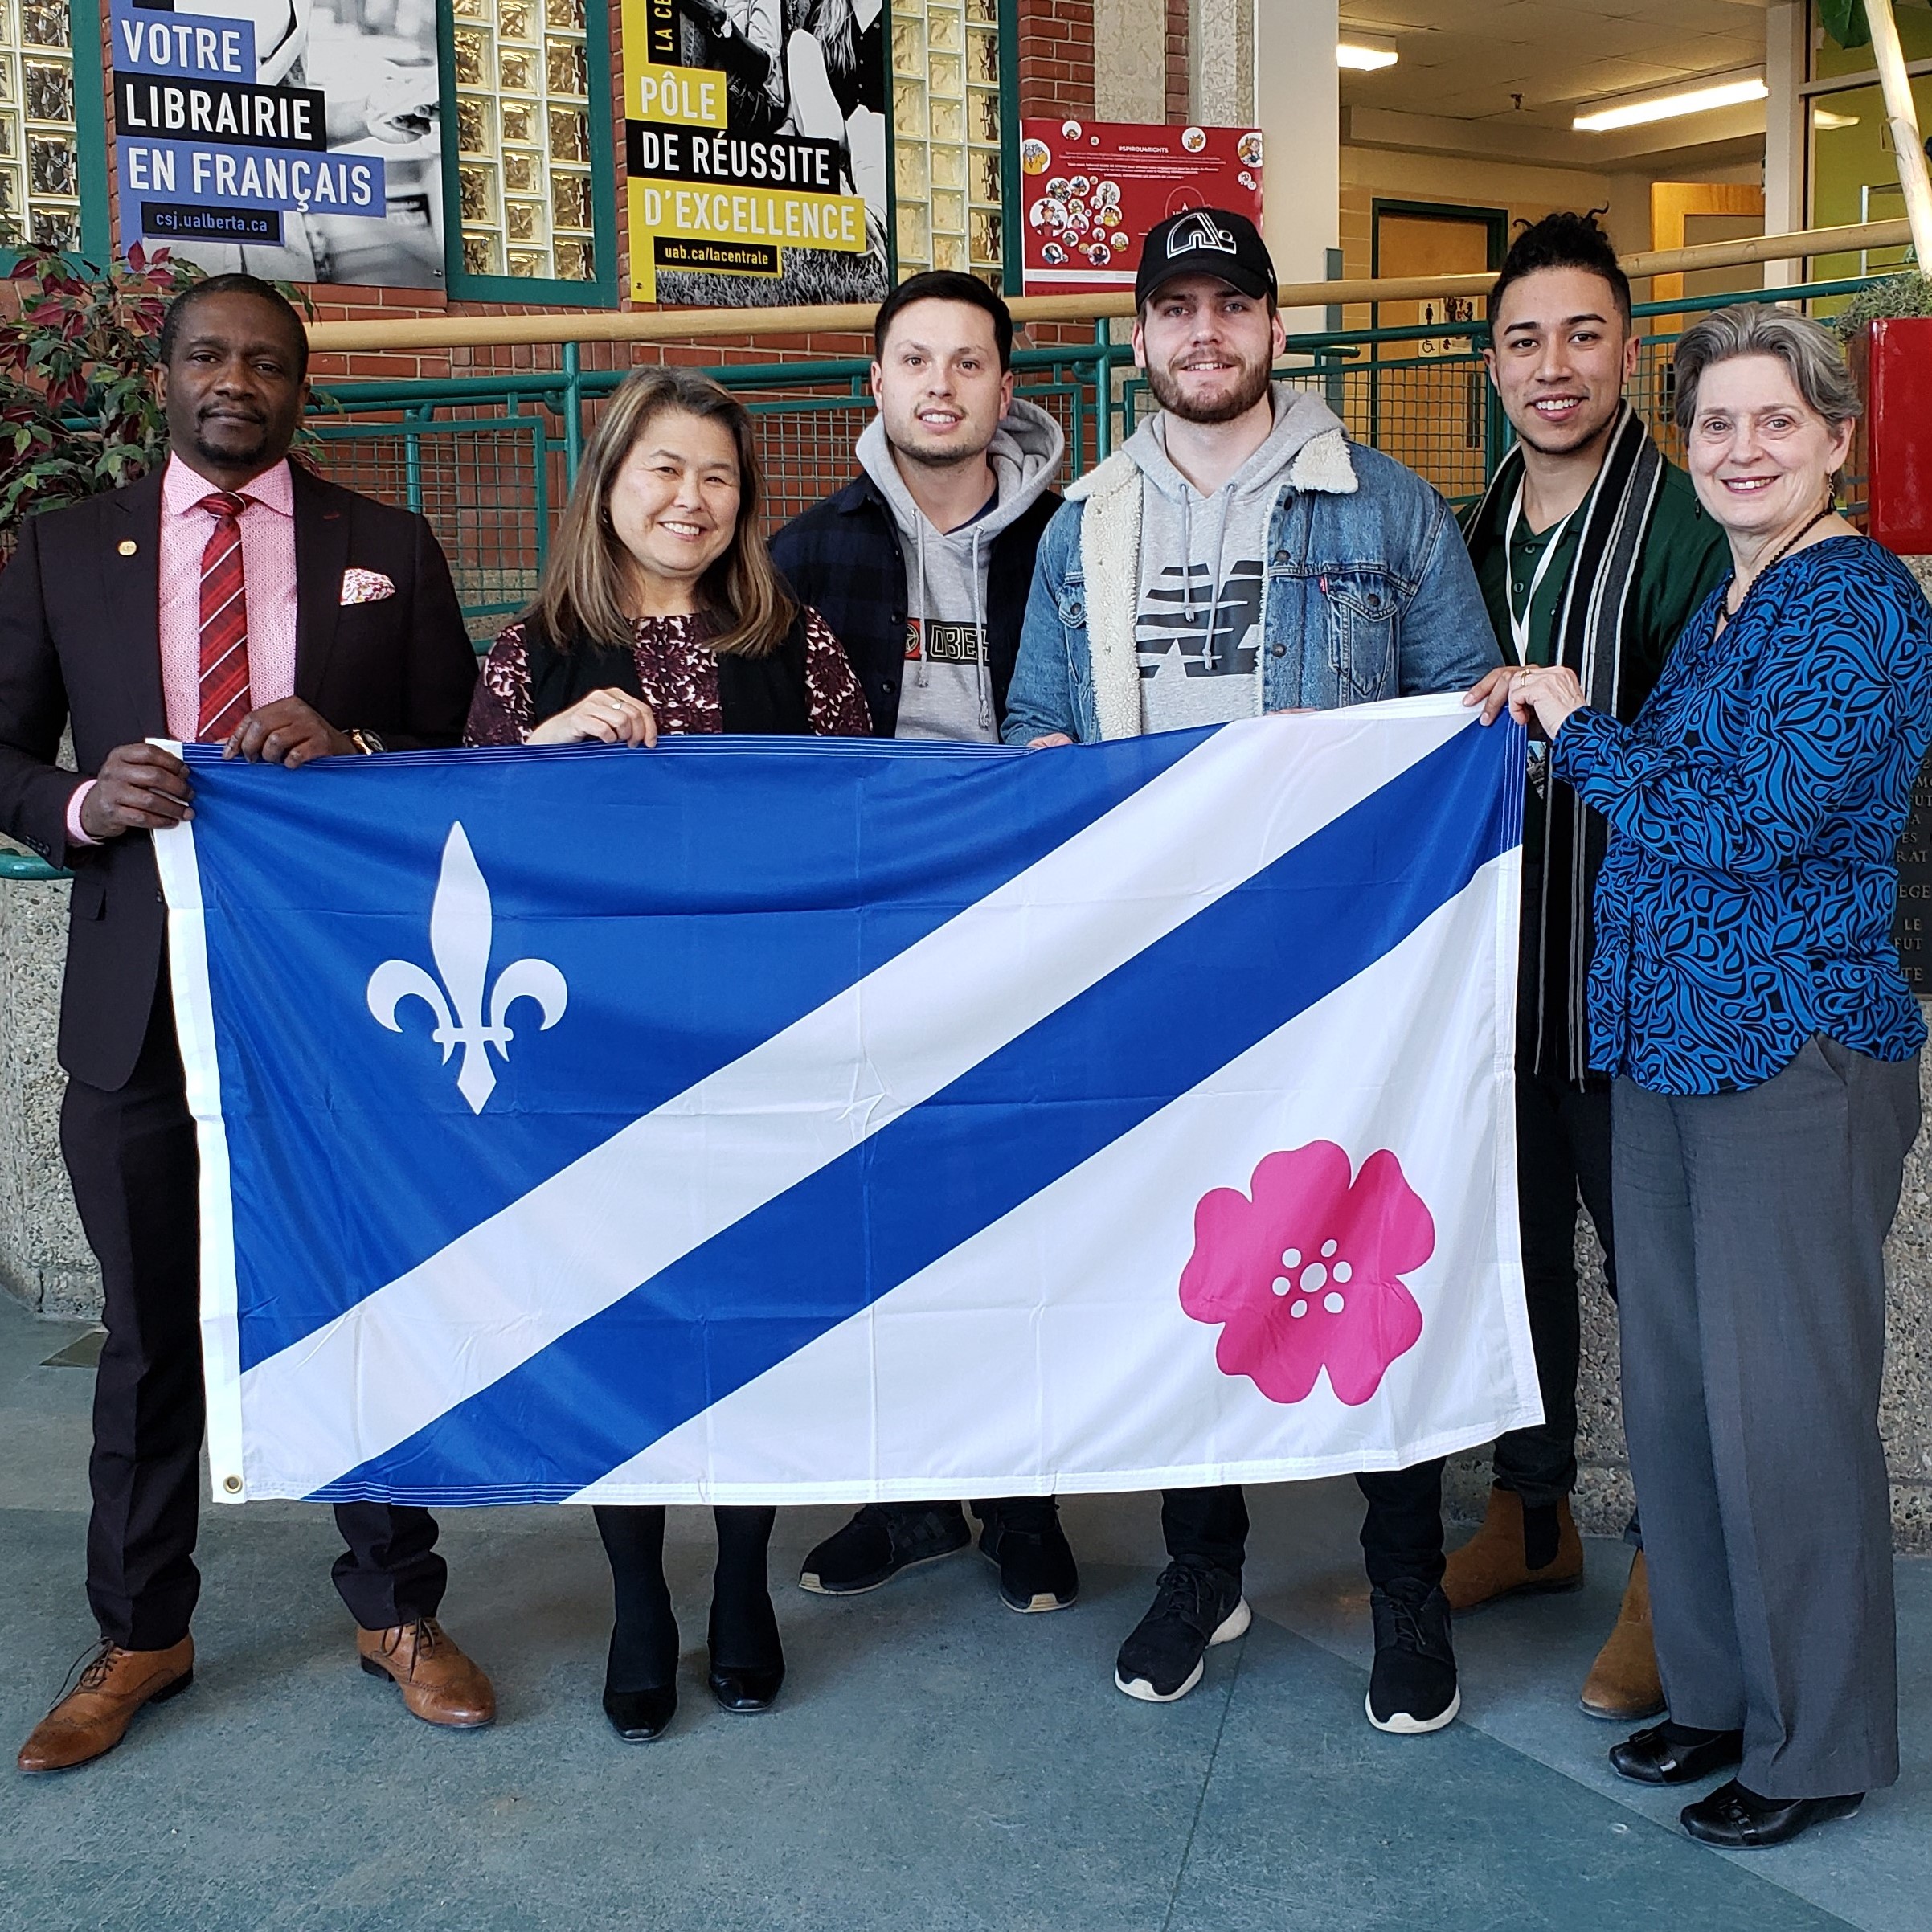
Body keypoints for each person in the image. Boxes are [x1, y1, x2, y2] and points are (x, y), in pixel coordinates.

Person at [1004, 208, 1502, 1734]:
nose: (1204, 335)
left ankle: (1405, 1580)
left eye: (1234, 307)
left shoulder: (1391, 511)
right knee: (1187, 1260)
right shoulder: (1080, 523)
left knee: (1373, 1260)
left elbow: (1464, 732)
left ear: (1277, 330)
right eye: (1176, 310)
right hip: (1163, 966)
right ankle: (1198, 1565)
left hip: (1356, 972)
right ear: (1140, 338)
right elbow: (1037, 733)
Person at [0, 275, 489, 1774]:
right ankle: (145, 1628)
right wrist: (82, 804)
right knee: (149, 1332)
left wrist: (355, 749)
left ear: (302, 383)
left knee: (360, 1300)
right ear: (166, 374)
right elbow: (2, 751)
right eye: (209, 355)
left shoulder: (386, 546)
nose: (238, 382)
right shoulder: (65, 546)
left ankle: (394, 1606)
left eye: (267, 363)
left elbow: (462, 755)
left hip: (337, 1006)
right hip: (135, 1000)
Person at [1490, 305, 1932, 1848]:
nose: (1743, 451)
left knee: (1788, 1416)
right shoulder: (1733, 605)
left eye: (1776, 424)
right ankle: (1717, 1692)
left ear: (1833, 441)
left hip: (1793, 1054)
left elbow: (1749, 821)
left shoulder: (1856, 603)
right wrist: (1547, 717)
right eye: (1719, 426)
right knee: (1679, 1405)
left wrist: (1581, 729)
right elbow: (1672, 791)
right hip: (1668, 1053)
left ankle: (1814, 1747)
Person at [466, 366, 870, 1742]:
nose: (690, 499)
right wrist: (540, 750)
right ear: (609, 486)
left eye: (716, 476)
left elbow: (857, 829)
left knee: (745, 1312)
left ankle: (744, 1581)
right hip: (596, 1050)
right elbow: (469, 839)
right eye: (662, 470)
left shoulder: (793, 640)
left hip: (759, 1041)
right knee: (624, 1318)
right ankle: (639, 1595)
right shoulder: (535, 650)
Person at [768, 271, 1079, 1618]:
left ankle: (1020, 1500)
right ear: (875, 384)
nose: (941, 385)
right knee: (873, 1210)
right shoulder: (800, 552)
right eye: (915, 360)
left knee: (1021, 1204)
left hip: (1031, 917)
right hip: (867, 925)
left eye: (968, 362)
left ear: (1007, 389)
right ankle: (901, 1499)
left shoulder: (1078, 538)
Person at [1454, 213, 1728, 1723]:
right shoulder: (1473, 525)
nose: (1552, 367)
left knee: (1660, 1280)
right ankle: (1533, 1513)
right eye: (1523, 339)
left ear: (1630, 350)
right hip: (1495, 978)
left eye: (1581, 335)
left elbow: (1706, 768)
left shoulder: (1687, 530)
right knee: (1519, 1261)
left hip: (1634, 979)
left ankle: (1665, 1571)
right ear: (1489, 363)